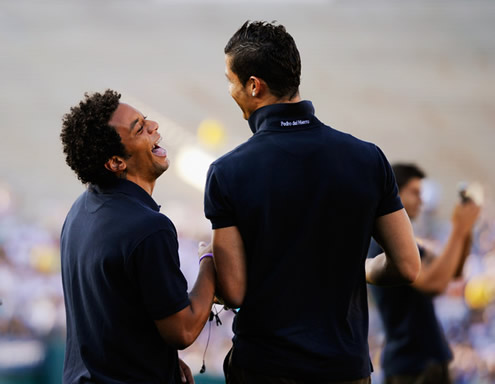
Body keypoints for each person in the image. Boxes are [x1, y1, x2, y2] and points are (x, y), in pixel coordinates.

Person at [204, 21, 421, 384]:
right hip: (345, 369)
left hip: (264, 368)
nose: (230, 89)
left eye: (231, 79)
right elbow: (407, 266)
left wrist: (206, 260)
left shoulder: (227, 172)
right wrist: (361, 269)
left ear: (254, 85)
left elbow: (233, 290)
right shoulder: (367, 159)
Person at [60, 90, 216, 384]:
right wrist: (210, 259)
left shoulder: (80, 209)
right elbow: (182, 331)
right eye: (140, 128)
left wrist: (161, 359)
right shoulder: (148, 228)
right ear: (117, 162)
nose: (155, 126)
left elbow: (114, 310)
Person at [367, 163, 480, 384]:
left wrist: (465, 231)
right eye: (415, 193)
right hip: (412, 367)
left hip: (421, 363)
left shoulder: (406, 243)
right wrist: (458, 228)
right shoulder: (384, 242)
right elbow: (434, 283)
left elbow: (452, 272)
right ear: (395, 193)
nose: (422, 201)